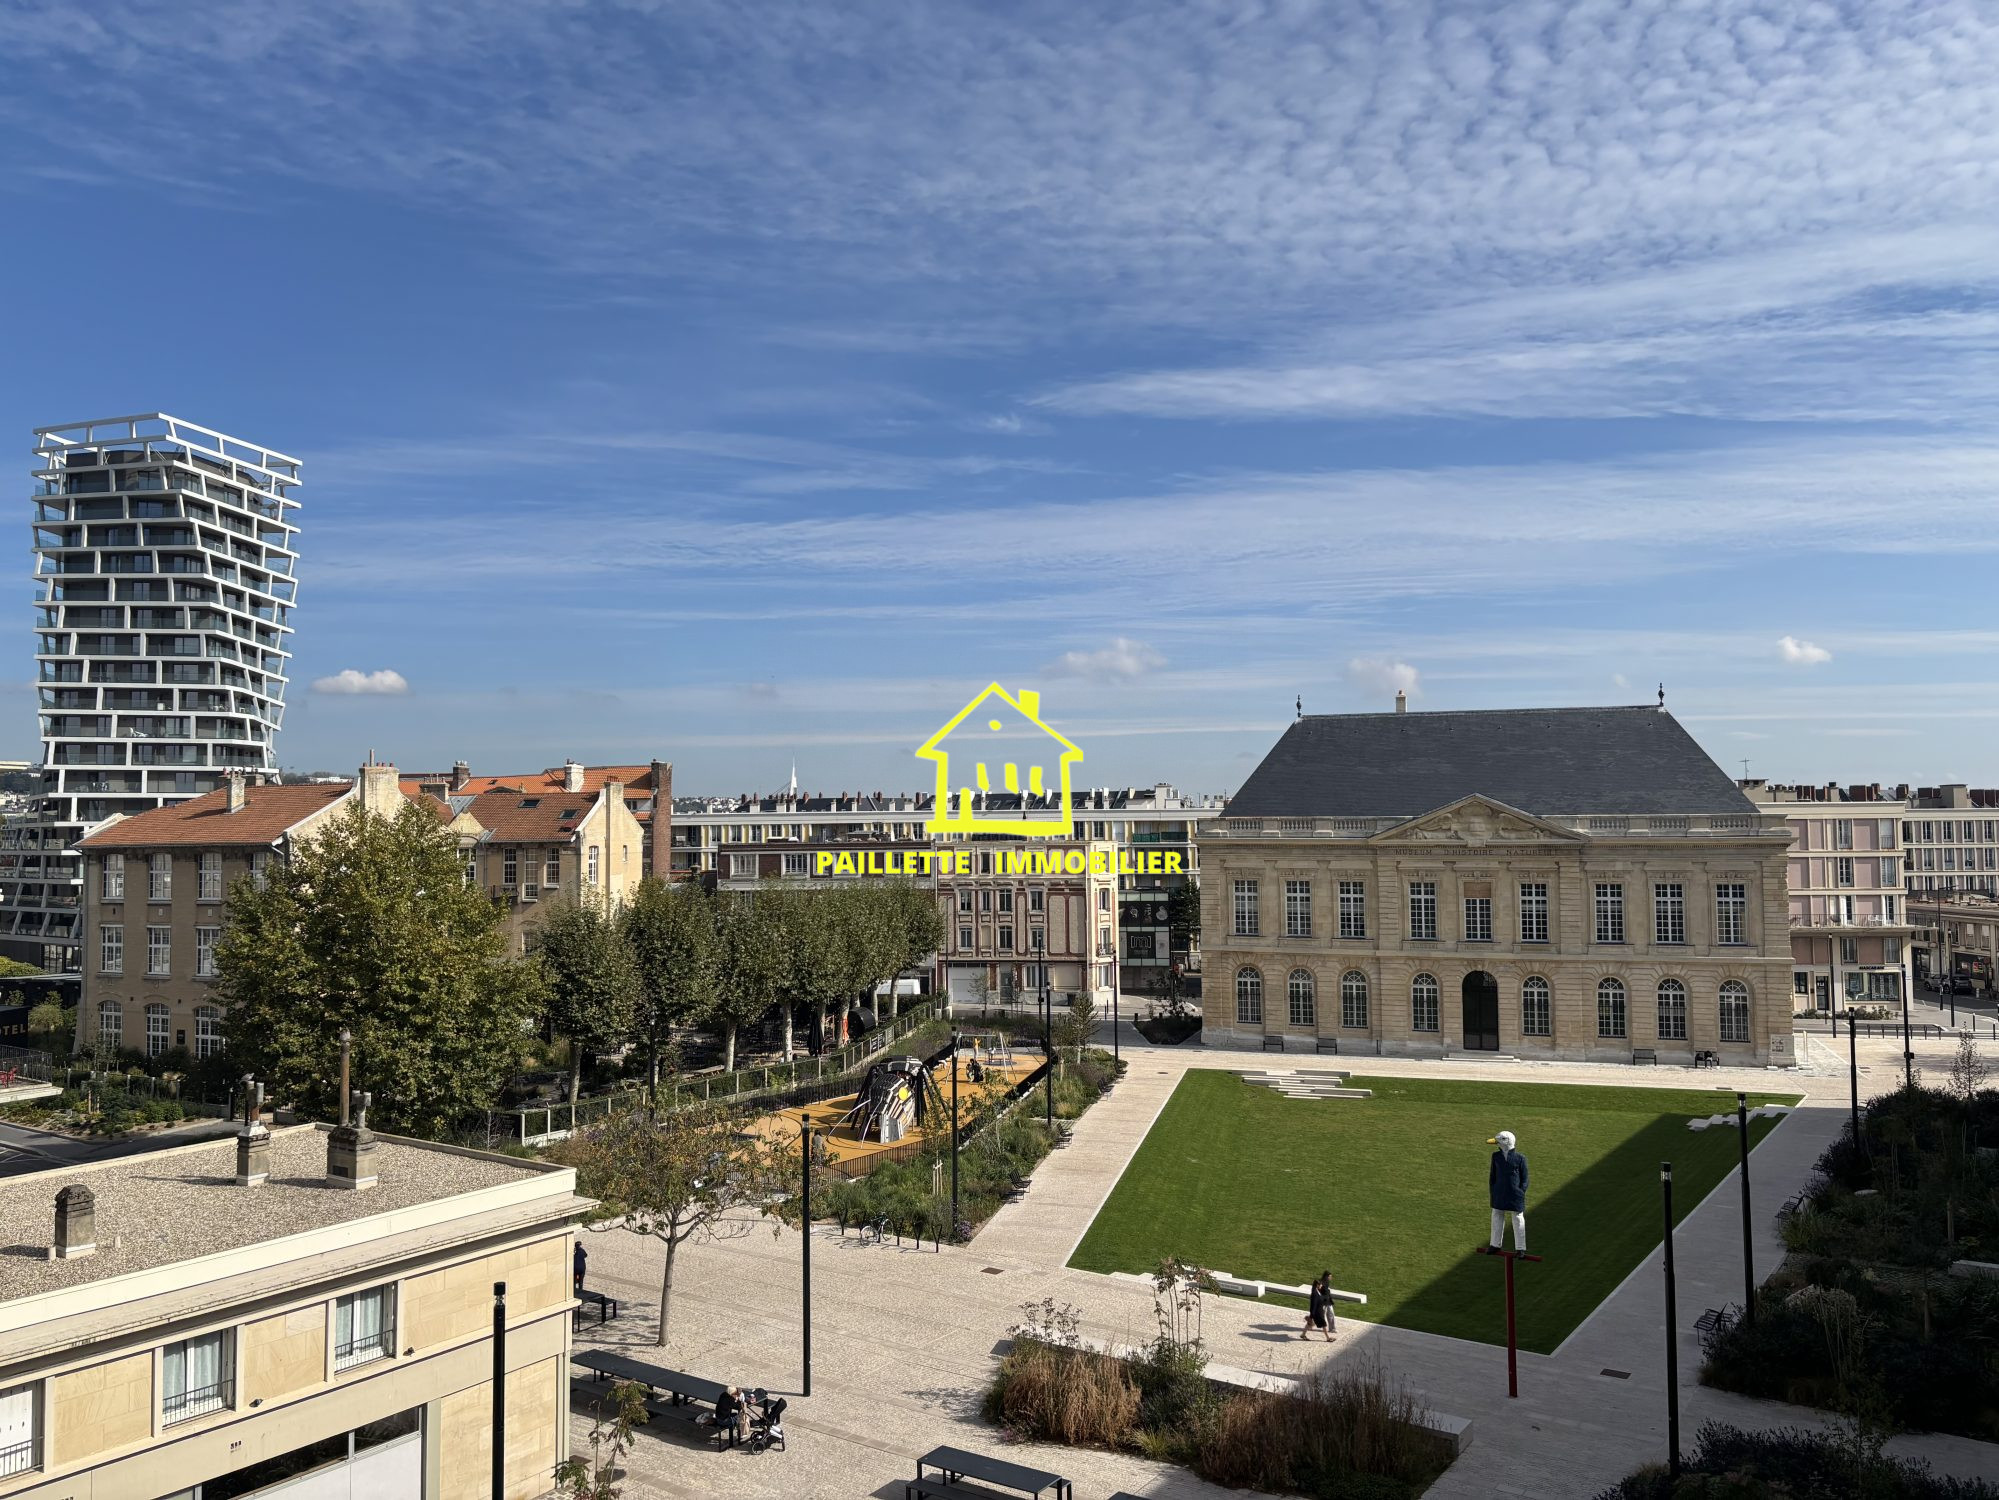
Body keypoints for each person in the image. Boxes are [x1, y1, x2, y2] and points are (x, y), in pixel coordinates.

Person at [1489, 1130, 1529, 1252]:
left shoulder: (1520, 1158)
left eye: (1500, 1139)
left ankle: (1520, 1248)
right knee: (1496, 1216)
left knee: (1518, 1218)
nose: (1497, 1141)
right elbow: (1492, 1176)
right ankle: (1495, 1245)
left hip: (1515, 1194)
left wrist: (1521, 1191)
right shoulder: (1496, 1156)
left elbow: (1525, 1178)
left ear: (1508, 1141)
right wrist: (1493, 1190)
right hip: (1499, 1193)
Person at [1302, 1270, 1336, 1341]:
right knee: (1323, 1324)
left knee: (1309, 1324)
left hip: (1318, 1311)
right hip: (1317, 1313)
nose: (1321, 1286)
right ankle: (1328, 1338)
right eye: (1320, 1285)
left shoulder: (1317, 1292)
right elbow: (1313, 1305)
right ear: (1317, 1285)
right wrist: (1312, 1315)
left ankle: (1303, 1334)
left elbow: (1320, 1299)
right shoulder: (1315, 1294)